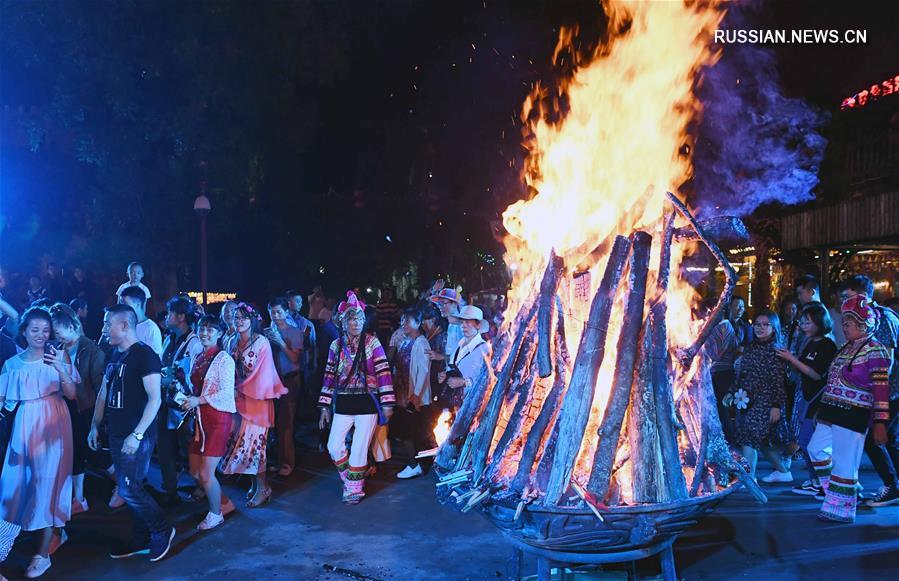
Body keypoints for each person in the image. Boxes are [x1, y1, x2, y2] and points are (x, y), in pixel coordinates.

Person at [88, 304, 175, 560]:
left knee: (128, 489)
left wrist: (137, 435)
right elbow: (103, 393)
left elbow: (155, 399)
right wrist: (95, 424)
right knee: (131, 486)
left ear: (124, 325)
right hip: (117, 433)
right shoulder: (114, 354)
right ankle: (141, 539)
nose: (103, 329)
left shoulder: (145, 355)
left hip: (137, 435)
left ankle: (162, 529)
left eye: (107, 324)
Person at [0, 308, 77, 578]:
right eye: (34, 330)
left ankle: (43, 553)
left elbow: (72, 394)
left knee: (50, 485)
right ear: (23, 331)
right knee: (14, 487)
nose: (41, 335)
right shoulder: (12, 364)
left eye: (46, 330)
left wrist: (60, 368)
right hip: (25, 425)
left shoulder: (58, 356)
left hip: (56, 423)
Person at [807, 295, 892, 523]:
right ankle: (842, 490)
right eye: (844, 323)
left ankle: (841, 508)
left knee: (845, 461)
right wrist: (821, 410)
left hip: (853, 413)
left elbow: (881, 390)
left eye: (850, 323)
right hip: (832, 412)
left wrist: (880, 423)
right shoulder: (846, 347)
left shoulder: (875, 350)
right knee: (815, 449)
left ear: (865, 324)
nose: (845, 327)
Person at [319, 291, 394, 504]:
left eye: (359, 318)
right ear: (343, 322)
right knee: (334, 446)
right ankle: (353, 477)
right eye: (351, 319)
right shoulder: (336, 345)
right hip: (343, 402)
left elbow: (383, 373)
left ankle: (354, 488)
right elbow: (328, 376)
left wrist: (387, 402)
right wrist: (324, 407)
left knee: (359, 448)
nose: (356, 323)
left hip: (367, 402)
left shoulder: (372, 343)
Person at [839, 275, 899, 507]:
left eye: (847, 296)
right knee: (891, 439)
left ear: (862, 296)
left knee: (875, 437)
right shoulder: (879, 316)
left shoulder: (881, 318)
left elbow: (886, 359)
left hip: (890, 390)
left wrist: (875, 392)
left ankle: (891, 485)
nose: (843, 302)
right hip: (889, 389)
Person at [219, 302, 286, 507]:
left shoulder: (261, 342)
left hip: (256, 403)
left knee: (254, 447)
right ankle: (256, 485)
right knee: (240, 446)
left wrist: (239, 388)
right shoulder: (231, 341)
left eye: (243, 318)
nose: (239, 321)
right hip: (237, 402)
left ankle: (263, 487)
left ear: (252, 320)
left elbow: (263, 375)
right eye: (236, 317)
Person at [775, 303, 838, 496]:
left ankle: (825, 484)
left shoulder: (827, 345)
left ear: (820, 322)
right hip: (807, 398)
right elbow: (802, 369)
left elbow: (817, 375)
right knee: (806, 442)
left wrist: (792, 359)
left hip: (820, 401)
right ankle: (816, 481)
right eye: (802, 320)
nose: (802, 324)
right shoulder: (810, 342)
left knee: (811, 443)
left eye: (807, 321)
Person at [49, 303, 106, 515]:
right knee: (78, 454)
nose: (55, 337)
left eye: (57, 332)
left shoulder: (91, 350)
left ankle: (124, 485)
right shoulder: (58, 349)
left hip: (86, 409)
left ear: (73, 326)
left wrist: (97, 422)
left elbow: (99, 388)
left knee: (93, 454)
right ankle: (79, 498)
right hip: (67, 408)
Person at [181, 316, 236, 530]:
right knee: (195, 472)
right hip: (200, 419)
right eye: (202, 329)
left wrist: (199, 400)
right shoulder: (199, 356)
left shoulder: (224, 359)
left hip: (217, 419)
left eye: (210, 329)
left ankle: (215, 514)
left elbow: (225, 392)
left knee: (206, 473)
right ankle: (224, 503)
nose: (205, 333)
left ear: (220, 333)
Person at [731, 310, 789, 482]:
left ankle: (749, 479)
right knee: (763, 442)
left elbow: (779, 381)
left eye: (766, 324)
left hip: (766, 400)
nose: (760, 328)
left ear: (774, 327)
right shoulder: (749, 348)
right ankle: (784, 472)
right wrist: (731, 392)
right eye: (757, 324)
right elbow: (742, 375)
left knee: (749, 437)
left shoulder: (777, 351)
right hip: (748, 399)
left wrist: (777, 405)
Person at [157, 296, 203, 505]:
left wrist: (174, 378)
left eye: (170, 314)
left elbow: (197, 377)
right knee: (166, 447)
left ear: (181, 317)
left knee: (189, 449)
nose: (166, 318)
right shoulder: (169, 339)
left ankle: (202, 487)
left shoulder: (194, 343)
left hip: (185, 406)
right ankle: (170, 489)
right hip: (166, 402)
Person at [265, 297, 305, 477]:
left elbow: (295, 358)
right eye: (272, 312)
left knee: (286, 423)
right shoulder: (266, 333)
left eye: (279, 312)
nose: (276, 316)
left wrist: (280, 341)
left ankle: (288, 462)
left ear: (286, 312)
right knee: (274, 423)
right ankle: (278, 460)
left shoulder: (295, 332)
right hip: (271, 382)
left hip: (290, 381)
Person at [704, 296, 749, 444]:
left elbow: (717, 352)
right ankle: (729, 439)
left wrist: (705, 352)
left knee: (721, 408)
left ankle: (730, 439)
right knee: (721, 407)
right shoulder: (726, 325)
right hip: (722, 371)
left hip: (721, 372)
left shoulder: (724, 326)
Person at [394, 308, 432, 480]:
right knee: (407, 430)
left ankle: (414, 464)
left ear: (418, 323)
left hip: (414, 398)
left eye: (408, 321)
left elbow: (424, 371)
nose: (404, 324)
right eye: (402, 321)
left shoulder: (421, 342)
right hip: (403, 394)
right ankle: (415, 463)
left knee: (409, 431)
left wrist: (416, 395)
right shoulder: (406, 341)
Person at [438, 305, 490, 412]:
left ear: (478, 325)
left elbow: (488, 379)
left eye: (468, 322)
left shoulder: (485, 349)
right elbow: (453, 370)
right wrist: (445, 376)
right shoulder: (458, 346)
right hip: (455, 405)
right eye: (462, 322)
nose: (463, 326)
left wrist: (464, 382)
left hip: (474, 407)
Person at [118, 286, 163, 357]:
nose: (122, 308)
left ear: (138, 304)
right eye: (121, 304)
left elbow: (155, 359)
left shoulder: (151, 328)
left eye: (125, 304)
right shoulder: (123, 325)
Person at [430, 288, 464, 360]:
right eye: (439, 304)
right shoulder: (451, 325)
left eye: (443, 303)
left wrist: (441, 357)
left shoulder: (461, 326)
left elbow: (466, 354)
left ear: (454, 304)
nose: (439, 307)